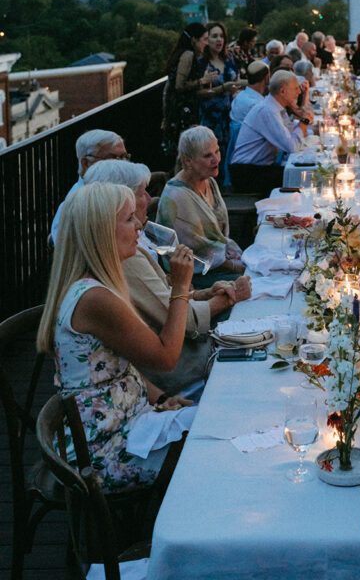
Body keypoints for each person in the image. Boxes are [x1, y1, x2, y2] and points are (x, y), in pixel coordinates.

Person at [37, 182, 196, 492]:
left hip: (125, 426)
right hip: (101, 453)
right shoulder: (95, 298)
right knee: (209, 442)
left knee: (214, 426)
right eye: (128, 219)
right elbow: (166, 358)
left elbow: (116, 367)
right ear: (101, 232)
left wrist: (161, 398)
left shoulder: (97, 285)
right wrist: (180, 287)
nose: (139, 224)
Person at [83, 160, 252, 394]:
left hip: (158, 380)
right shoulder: (122, 260)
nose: (150, 200)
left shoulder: (126, 246)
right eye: (142, 194)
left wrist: (204, 293)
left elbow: (167, 298)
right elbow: (174, 341)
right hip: (181, 371)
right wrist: (225, 297)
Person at [157, 127, 245, 286]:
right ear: (187, 161)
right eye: (207, 155)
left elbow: (217, 241)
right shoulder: (177, 196)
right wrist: (238, 267)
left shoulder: (208, 180)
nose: (216, 159)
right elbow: (201, 255)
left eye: (217, 151)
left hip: (219, 264)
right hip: (193, 277)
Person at [230, 70, 309, 197]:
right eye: (295, 89)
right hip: (246, 174)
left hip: (259, 168)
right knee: (302, 178)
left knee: (301, 174)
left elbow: (290, 132)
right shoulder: (267, 110)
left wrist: (302, 121)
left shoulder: (276, 107)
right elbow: (291, 146)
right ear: (283, 91)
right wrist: (304, 122)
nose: (299, 92)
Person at [49, 129, 128, 243]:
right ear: (85, 163)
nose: (123, 165)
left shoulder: (113, 192)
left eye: (124, 157)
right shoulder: (77, 208)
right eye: (113, 158)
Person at [162, 24, 213, 160]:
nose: (207, 44)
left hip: (177, 110)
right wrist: (202, 81)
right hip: (182, 112)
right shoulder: (188, 55)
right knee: (184, 153)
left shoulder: (183, 53)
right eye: (205, 39)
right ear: (194, 40)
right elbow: (179, 85)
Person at [197, 21, 239, 186]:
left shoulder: (229, 60)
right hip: (210, 119)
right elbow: (197, 93)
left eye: (221, 36)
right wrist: (221, 89)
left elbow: (234, 83)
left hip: (229, 117)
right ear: (207, 40)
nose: (219, 40)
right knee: (211, 161)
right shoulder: (201, 63)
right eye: (214, 36)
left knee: (227, 157)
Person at [227, 60, 270, 167]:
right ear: (266, 78)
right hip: (253, 158)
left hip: (236, 152)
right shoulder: (257, 105)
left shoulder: (240, 96)